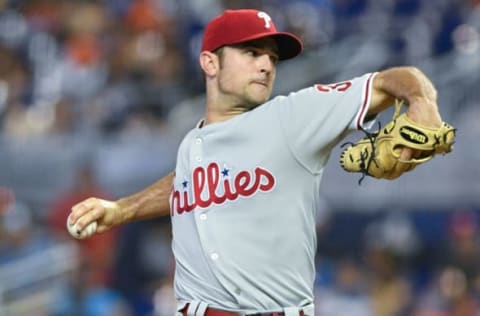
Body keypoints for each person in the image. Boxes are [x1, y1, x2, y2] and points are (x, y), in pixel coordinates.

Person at [68, 8, 444, 316]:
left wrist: (422, 102)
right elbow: (187, 180)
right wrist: (122, 209)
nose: (266, 65)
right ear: (210, 63)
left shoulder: (293, 117)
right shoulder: (192, 144)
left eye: (271, 57)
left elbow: (393, 79)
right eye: (251, 53)